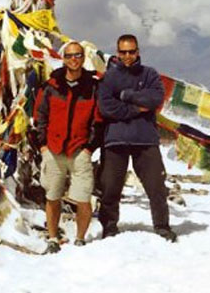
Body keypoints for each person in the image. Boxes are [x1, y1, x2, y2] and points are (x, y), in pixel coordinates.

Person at [97, 34, 177, 242]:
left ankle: (162, 226)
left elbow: (155, 99)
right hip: (116, 139)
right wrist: (136, 108)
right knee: (110, 187)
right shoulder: (109, 78)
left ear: (138, 51)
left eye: (131, 51)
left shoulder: (150, 74)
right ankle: (109, 227)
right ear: (117, 52)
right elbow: (106, 108)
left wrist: (124, 96)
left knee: (156, 186)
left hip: (146, 140)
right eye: (123, 52)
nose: (127, 56)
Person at [33, 41, 102, 254]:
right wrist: (43, 145)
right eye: (70, 55)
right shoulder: (51, 87)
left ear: (83, 58)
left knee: (83, 197)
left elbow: (98, 121)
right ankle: (53, 238)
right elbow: (39, 117)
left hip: (80, 150)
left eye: (78, 55)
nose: (74, 59)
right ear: (63, 58)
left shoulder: (92, 88)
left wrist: (90, 147)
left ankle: (80, 238)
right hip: (53, 149)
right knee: (52, 196)